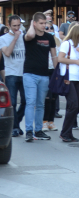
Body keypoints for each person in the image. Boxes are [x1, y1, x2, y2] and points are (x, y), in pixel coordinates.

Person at [22, 13, 58, 142]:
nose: (44, 26)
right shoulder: (29, 36)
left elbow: (54, 56)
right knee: (31, 102)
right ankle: (29, 131)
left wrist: (57, 73)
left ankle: (38, 130)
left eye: (45, 23)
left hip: (44, 75)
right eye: (41, 23)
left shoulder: (49, 37)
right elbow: (30, 35)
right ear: (35, 23)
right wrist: (32, 23)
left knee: (41, 104)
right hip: (29, 74)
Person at [57, 24, 79, 143]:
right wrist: (75, 60)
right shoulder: (67, 44)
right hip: (68, 77)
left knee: (73, 106)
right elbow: (60, 58)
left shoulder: (78, 45)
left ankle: (68, 133)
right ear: (77, 33)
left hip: (77, 78)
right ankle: (65, 132)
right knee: (73, 104)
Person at [0, 15, 26, 137]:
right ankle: (15, 127)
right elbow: (8, 53)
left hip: (25, 73)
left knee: (27, 101)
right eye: (14, 26)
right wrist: (15, 39)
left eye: (18, 25)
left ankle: (17, 121)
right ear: (9, 25)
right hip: (11, 73)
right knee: (13, 102)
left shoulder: (24, 36)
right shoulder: (3, 39)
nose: (17, 28)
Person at [42, 22, 61, 132]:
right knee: (47, 98)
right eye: (47, 28)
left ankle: (51, 121)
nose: (49, 30)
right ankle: (44, 121)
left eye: (51, 28)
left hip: (55, 71)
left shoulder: (58, 41)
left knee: (54, 97)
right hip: (45, 70)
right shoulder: (41, 41)